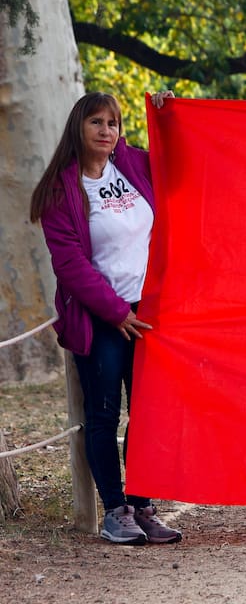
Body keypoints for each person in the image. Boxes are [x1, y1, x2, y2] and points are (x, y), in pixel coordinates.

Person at [29, 90, 182, 544]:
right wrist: (116, 312)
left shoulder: (131, 167)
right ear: (79, 127)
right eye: (96, 122)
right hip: (101, 318)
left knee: (148, 414)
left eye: (112, 123)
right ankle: (115, 511)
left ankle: (142, 506)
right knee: (103, 415)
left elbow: (179, 159)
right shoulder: (63, 187)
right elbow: (70, 264)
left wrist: (166, 114)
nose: (106, 131)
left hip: (146, 313)